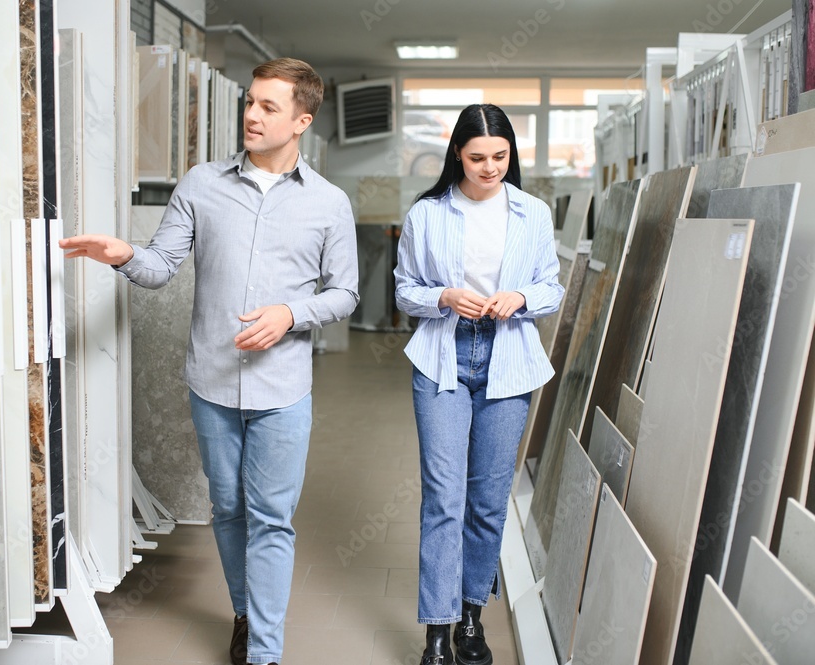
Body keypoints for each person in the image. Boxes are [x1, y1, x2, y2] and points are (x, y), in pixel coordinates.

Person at [60, 58, 359, 665]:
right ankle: (245, 612)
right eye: (250, 102)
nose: (251, 114)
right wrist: (122, 254)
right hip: (212, 385)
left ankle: (265, 653)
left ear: (301, 120)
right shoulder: (201, 184)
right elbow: (160, 267)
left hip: (283, 391)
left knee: (272, 519)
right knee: (229, 510)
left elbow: (344, 292)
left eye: (268, 107)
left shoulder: (330, 204)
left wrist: (289, 315)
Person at [394, 104, 563, 665]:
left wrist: (520, 298)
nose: (489, 167)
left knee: (489, 501)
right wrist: (443, 296)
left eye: (500, 157)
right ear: (456, 156)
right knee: (444, 497)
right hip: (443, 355)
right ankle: (437, 632)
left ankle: (471, 616)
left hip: (508, 355)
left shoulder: (533, 213)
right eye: (476, 158)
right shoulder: (428, 213)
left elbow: (550, 288)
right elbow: (404, 290)